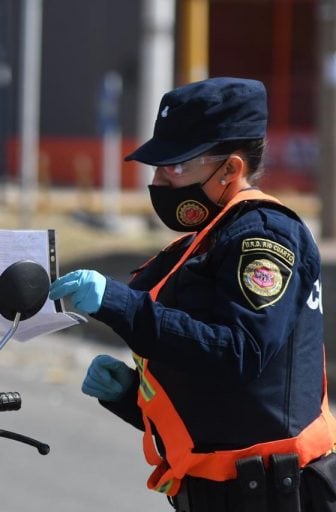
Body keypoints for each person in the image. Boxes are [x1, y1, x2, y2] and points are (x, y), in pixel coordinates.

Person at [49, 77, 336, 511]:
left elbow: (240, 351)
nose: (161, 179)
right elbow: (222, 403)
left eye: (176, 166)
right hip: (219, 494)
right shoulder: (202, 241)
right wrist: (131, 397)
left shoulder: (263, 237)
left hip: (279, 496)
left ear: (231, 170)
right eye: (158, 166)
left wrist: (119, 303)